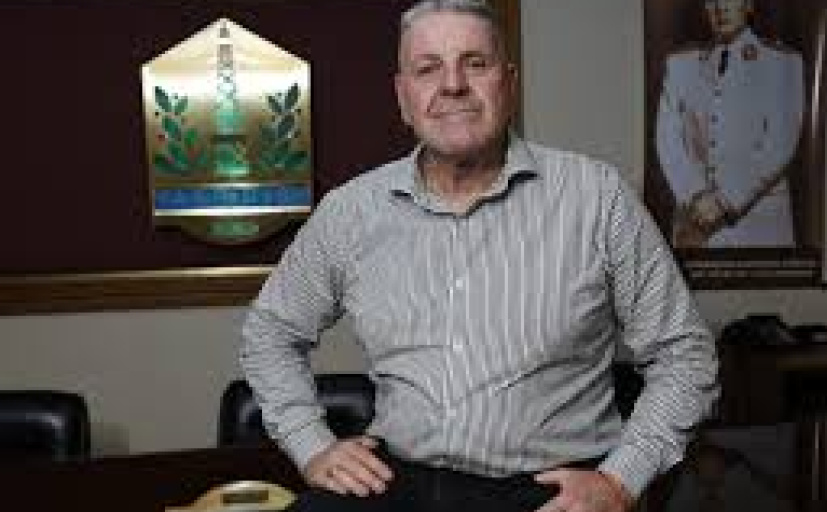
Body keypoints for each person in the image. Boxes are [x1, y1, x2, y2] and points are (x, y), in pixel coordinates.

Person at [241, 1, 718, 511]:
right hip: (396, 483)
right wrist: (310, 443)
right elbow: (270, 331)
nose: (452, 85)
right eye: (428, 69)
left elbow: (684, 355)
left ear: (509, 84)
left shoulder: (597, 198)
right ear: (403, 97)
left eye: (475, 63)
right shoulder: (351, 212)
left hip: (550, 492)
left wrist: (621, 480)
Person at [655, 0, 805, 248]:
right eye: (712, 0)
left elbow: (780, 144)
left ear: (748, 5)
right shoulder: (681, 64)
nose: (720, 7)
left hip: (759, 225)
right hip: (695, 223)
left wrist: (725, 200)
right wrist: (694, 194)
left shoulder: (782, 63)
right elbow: (667, 140)